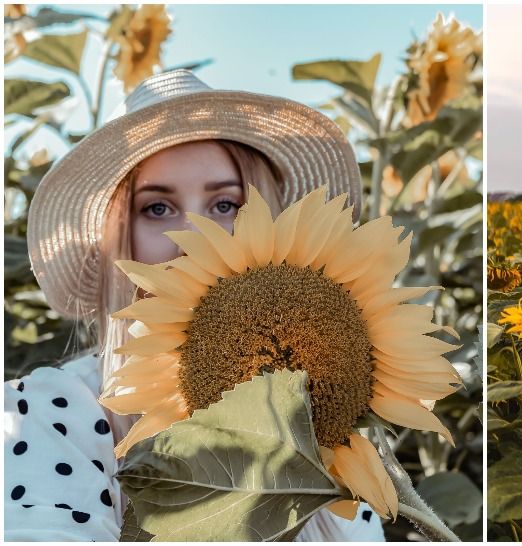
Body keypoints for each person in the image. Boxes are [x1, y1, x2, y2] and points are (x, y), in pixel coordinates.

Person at [4, 69, 383, 541]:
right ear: (121, 241)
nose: (195, 238)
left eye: (225, 205)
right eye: (157, 208)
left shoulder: (326, 427)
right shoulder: (57, 413)